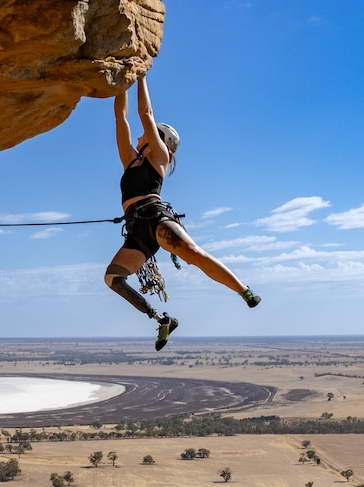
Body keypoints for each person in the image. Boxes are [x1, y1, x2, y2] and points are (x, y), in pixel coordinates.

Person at [104, 73, 261, 351]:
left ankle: (244, 290)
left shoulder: (159, 158)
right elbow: (121, 118)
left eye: (148, 134)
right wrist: (122, 83)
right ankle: (162, 319)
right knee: (113, 278)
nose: (140, 136)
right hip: (137, 229)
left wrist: (140, 78)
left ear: (159, 140)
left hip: (155, 218)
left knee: (193, 254)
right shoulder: (130, 160)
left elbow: (145, 113)